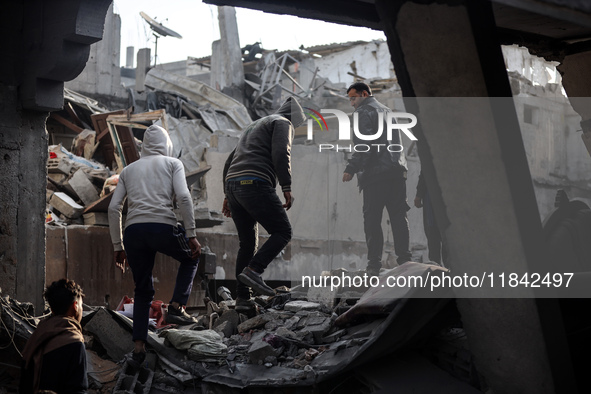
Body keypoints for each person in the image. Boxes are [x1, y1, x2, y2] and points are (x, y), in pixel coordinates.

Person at [108, 124, 201, 365]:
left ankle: (139, 347)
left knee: (142, 290)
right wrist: (191, 234)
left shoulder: (128, 170)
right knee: (191, 257)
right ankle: (177, 307)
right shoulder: (173, 164)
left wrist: (118, 246)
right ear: (166, 144)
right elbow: (183, 197)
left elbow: (114, 207)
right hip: (163, 226)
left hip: (133, 232)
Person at [222, 97, 306, 307]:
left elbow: (229, 160)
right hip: (255, 183)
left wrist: (227, 194)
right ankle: (254, 270)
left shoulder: (254, 125)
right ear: (293, 119)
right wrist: (286, 186)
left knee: (247, 243)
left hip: (234, 186)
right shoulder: (282, 122)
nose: (294, 128)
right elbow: (281, 152)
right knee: (283, 232)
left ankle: (243, 297)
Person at [343, 82, 412, 276]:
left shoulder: (363, 112)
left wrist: (351, 167)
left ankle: (374, 265)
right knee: (399, 216)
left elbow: (364, 144)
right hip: (398, 171)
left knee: (372, 220)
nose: (352, 103)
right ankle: (405, 261)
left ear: (364, 94)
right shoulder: (387, 110)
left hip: (376, 174)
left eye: (353, 98)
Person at [20, 279, 87, 394]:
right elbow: (78, 389)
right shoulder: (74, 342)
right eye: (81, 306)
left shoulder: (36, 338)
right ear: (75, 306)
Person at [414, 170, 448, 266]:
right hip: (448, 193)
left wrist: (419, 194)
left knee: (433, 234)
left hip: (433, 195)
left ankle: (437, 268)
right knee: (446, 235)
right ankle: (447, 269)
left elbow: (426, 169)